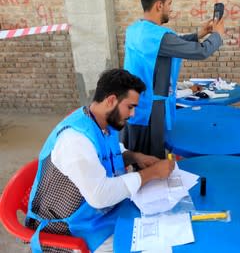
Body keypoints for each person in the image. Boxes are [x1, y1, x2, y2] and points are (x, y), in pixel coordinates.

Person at [26, 69, 175, 252]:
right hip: (69, 228)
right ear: (111, 100)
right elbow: (100, 196)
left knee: (153, 221)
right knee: (148, 244)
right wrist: (150, 174)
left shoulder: (101, 122)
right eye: (130, 107)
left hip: (97, 215)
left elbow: (111, 150)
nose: (133, 114)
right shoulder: (75, 140)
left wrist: (135, 157)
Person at [122, 0, 224, 159]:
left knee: (135, 155)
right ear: (159, 5)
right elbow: (201, 52)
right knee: (151, 160)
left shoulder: (135, 30)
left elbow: (168, 45)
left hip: (134, 106)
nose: (171, 8)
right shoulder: (160, 36)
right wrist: (217, 36)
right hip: (151, 111)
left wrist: (199, 33)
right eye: (169, 3)